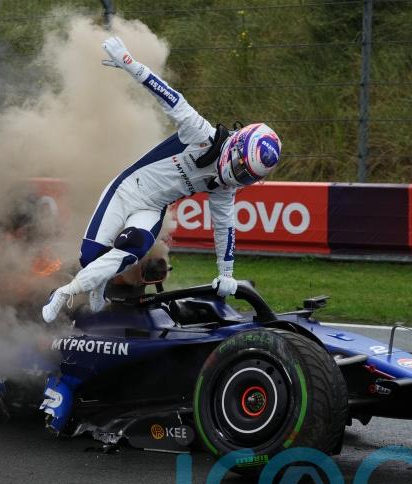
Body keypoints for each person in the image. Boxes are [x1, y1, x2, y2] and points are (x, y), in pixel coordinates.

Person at [42, 36, 282, 323]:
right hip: (126, 190)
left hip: (151, 209)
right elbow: (167, 95)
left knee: (132, 251)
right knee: (90, 256)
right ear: (236, 145)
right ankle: (89, 286)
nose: (238, 176)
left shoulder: (224, 187)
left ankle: (75, 291)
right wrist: (130, 63)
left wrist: (226, 274)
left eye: (247, 177)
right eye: (241, 167)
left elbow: (225, 229)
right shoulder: (199, 133)